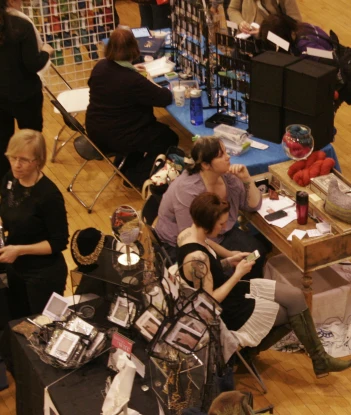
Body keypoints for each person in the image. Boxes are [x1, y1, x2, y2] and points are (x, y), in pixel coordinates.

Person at [178, 192, 351, 378]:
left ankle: (321, 360)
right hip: (228, 310)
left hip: (232, 290)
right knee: (291, 315)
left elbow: (212, 268)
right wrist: (237, 274)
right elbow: (209, 302)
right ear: (208, 223)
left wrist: (229, 261)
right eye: (220, 224)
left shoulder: (188, 234)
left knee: (295, 297)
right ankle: (245, 354)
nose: (223, 228)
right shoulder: (197, 259)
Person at [155, 136, 270, 279]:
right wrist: (228, 255)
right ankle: (229, 293)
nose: (228, 157)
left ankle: (246, 290)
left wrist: (246, 178)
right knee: (216, 272)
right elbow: (192, 237)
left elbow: (253, 205)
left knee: (257, 253)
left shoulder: (228, 177)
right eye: (221, 155)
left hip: (218, 232)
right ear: (205, 165)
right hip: (182, 242)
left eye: (226, 152)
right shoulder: (188, 190)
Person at [85, 28, 178, 188]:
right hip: (122, 135)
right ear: (134, 48)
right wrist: (148, 80)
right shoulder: (133, 81)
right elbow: (165, 98)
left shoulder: (100, 67)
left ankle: (124, 164)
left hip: (95, 130)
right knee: (168, 137)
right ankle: (138, 176)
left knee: (140, 131)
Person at [0, 130, 69, 319]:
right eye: (13, 157)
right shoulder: (10, 179)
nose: (16, 165)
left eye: (24, 160)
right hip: (16, 268)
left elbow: (58, 242)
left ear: (38, 160)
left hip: (43, 274)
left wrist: (19, 250)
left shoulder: (49, 196)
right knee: (18, 321)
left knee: (43, 326)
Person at [0, 0, 54, 175]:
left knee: (2, 142)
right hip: (25, 95)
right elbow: (33, 64)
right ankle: (32, 178)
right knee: (31, 141)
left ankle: (6, 184)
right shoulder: (21, 25)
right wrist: (46, 51)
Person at [228, 0, 301, 38]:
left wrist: (263, 32)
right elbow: (233, 9)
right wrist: (240, 23)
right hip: (244, 44)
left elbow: (296, 24)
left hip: (269, 50)